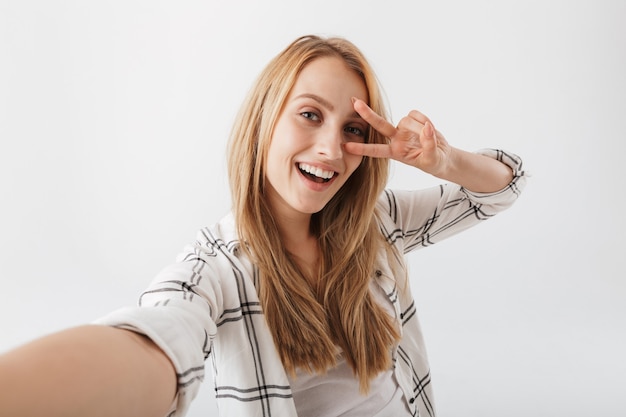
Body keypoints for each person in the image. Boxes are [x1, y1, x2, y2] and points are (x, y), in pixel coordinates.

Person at [0, 35, 526, 417]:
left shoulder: (378, 226)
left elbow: (504, 186)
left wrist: (443, 161)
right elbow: (154, 345)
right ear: (265, 121)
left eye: (352, 129)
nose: (330, 149)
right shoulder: (218, 269)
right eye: (310, 115)